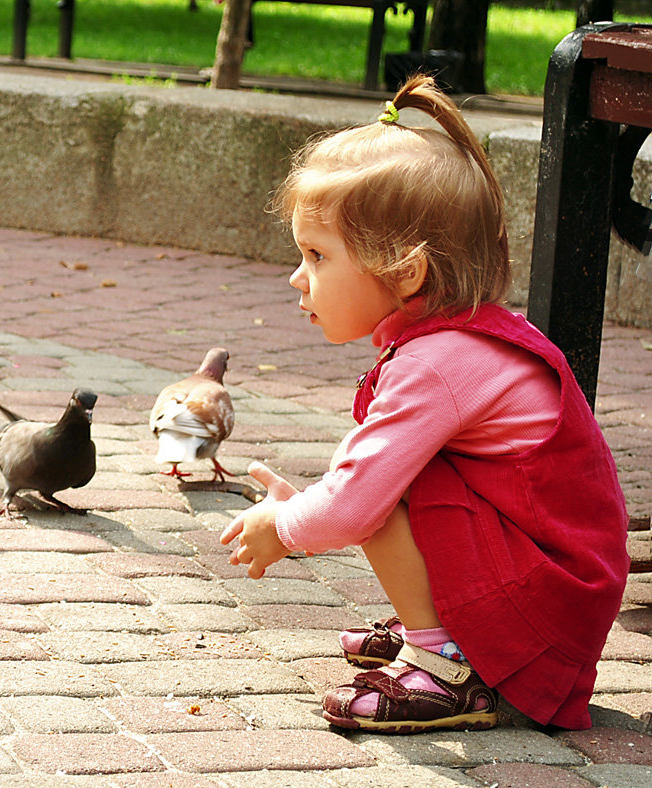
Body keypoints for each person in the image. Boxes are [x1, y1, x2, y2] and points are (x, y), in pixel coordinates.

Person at [220, 75, 630, 734]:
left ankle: (447, 666)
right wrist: (311, 502)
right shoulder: (456, 340)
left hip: (549, 614)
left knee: (391, 480)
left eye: (317, 256)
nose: (298, 277)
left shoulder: (435, 366)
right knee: (392, 472)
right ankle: (454, 630)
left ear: (405, 272)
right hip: (559, 591)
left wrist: (285, 524)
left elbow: (355, 505)